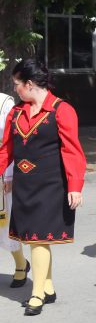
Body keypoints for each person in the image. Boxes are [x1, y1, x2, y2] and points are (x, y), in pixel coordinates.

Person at [0, 59, 86, 316]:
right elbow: (6, 150)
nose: (15, 89)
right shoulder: (16, 113)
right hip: (24, 186)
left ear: (29, 83)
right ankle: (47, 286)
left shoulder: (62, 110)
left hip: (52, 186)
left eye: (17, 84)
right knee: (34, 238)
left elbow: (73, 151)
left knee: (38, 240)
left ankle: (36, 293)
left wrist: (75, 186)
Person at [0, 90, 29, 288]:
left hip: (2, 167)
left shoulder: (5, 104)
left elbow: (13, 142)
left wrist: (9, 174)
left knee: (4, 221)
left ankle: (20, 263)